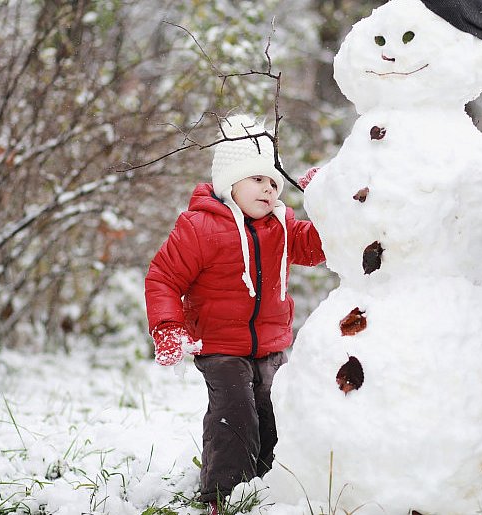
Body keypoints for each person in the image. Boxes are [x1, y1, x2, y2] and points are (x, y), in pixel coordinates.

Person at [144, 114, 325, 514]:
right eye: (257, 179)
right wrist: (169, 327)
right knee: (235, 415)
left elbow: (319, 246)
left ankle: (265, 486)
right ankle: (223, 495)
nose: (268, 188)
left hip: (270, 345)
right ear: (230, 183)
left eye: (274, 182)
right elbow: (163, 277)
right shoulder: (199, 227)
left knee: (271, 413)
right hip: (219, 344)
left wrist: (329, 202)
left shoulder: (283, 226)